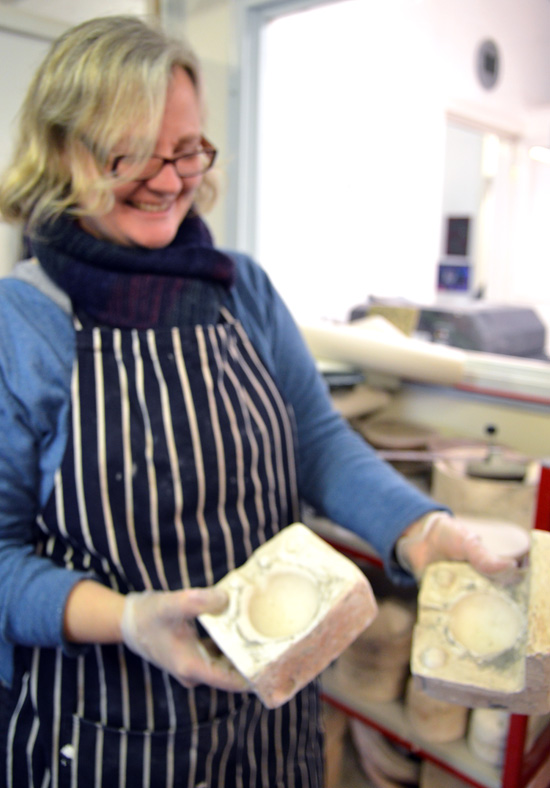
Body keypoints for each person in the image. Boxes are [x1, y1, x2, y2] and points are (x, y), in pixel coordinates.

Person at [0, 15, 516, 788]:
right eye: (131, 153)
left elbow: (315, 439)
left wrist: (417, 528)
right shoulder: (24, 324)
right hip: (112, 737)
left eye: (185, 149)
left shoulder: (239, 288)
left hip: (270, 727)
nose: (170, 179)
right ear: (64, 150)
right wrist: (126, 617)